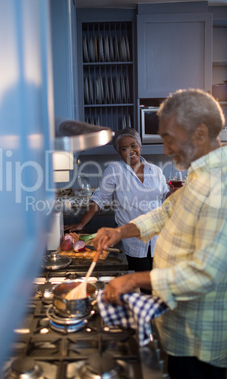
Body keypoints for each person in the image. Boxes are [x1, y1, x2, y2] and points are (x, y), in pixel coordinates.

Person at [93, 89, 227, 379]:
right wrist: (120, 231)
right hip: (181, 331)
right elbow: (166, 211)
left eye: (168, 137)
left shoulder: (220, 185)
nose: (164, 149)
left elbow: (204, 274)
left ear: (200, 133)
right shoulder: (200, 174)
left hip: (200, 339)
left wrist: (132, 278)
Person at [65, 127, 169, 279]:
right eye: (124, 148)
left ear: (140, 146)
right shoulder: (115, 170)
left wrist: (172, 193)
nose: (131, 151)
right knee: (140, 283)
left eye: (134, 145)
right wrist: (81, 224)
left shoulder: (156, 171)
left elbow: (164, 195)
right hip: (133, 239)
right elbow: (100, 198)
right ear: (119, 152)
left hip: (158, 239)